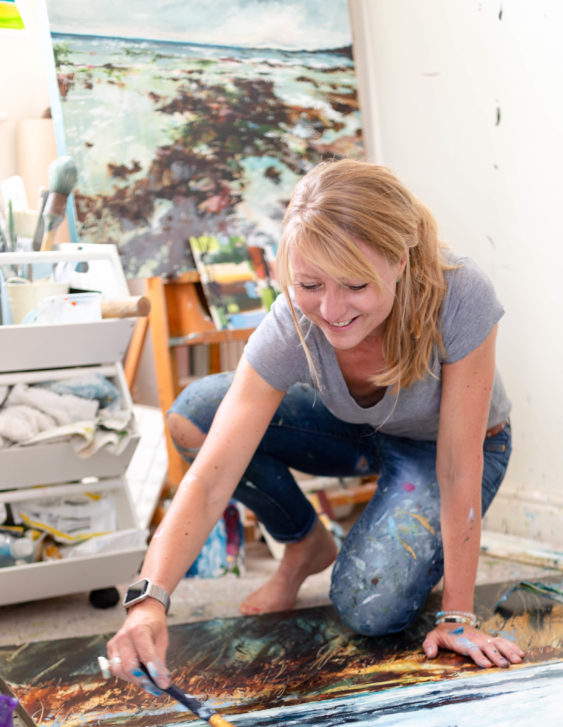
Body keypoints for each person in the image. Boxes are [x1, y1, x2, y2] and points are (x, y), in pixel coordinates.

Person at [107, 159, 524, 687]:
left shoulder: (460, 294)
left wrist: (458, 616)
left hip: (442, 446)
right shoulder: (293, 322)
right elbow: (211, 478)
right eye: (309, 283)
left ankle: (388, 538)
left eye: (355, 285)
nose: (330, 309)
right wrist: (148, 601)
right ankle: (304, 543)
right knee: (197, 417)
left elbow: (457, 466)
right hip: (357, 429)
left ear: (399, 261)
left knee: (371, 608)